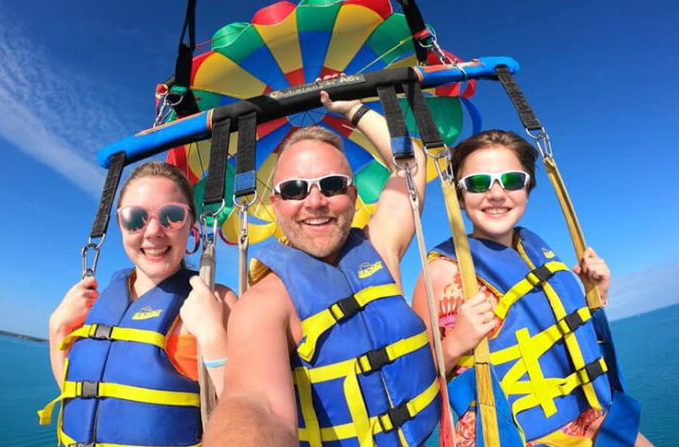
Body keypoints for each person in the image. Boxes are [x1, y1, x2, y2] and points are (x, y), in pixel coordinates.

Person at [205, 92, 441, 446]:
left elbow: (411, 164)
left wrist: (354, 110)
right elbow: (255, 404)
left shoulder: (380, 248)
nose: (315, 202)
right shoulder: (264, 303)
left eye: (331, 186)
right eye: (295, 190)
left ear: (354, 194)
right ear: (275, 203)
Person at [412, 130, 650, 446]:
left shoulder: (535, 254)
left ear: (527, 188)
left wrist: (596, 295)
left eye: (511, 180)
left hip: (585, 413)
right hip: (503, 434)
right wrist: (455, 343)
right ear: (458, 195)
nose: (496, 194)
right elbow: (415, 376)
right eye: (479, 183)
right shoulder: (441, 272)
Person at [40, 161, 237, 447]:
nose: (153, 231)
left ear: (192, 227)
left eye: (171, 216)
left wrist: (214, 338)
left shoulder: (218, 302)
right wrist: (57, 328)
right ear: (120, 225)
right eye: (136, 218)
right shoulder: (95, 303)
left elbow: (248, 415)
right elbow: (83, 399)